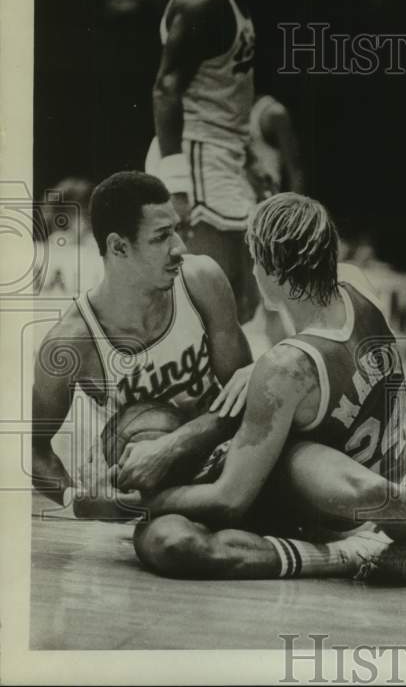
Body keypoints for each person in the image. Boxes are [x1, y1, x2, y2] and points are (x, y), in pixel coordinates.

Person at [131, 193, 406, 588]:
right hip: (383, 485)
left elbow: (229, 500)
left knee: (166, 536)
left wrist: (137, 502)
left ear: (276, 273)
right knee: (171, 538)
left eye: (257, 262)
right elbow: (317, 348)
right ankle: (396, 548)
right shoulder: (356, 284)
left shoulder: (287, 368)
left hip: (335, 504)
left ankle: (360, 555)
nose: (255, 271)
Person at [31, 171, 252, 520]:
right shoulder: (71, 342)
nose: (179, 247)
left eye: (176, 230)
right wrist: (78, 499)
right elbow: (32, 447)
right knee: (173, 546)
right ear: (119, 247)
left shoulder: (201, 281)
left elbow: (245, 400)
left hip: (227, 458)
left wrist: (170, 445)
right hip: (152, 494)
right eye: (162, 236)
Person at [146, 0, 302, 325]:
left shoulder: (238, 0)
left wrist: (251, 161)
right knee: (201, 305)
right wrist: (176, 186)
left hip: (226, 158)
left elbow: (230, 95)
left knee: (243, 304)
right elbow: (166, 88)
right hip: (194, 156)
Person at [245, 91, 306, 346]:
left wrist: (295, 218)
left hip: (268, 211)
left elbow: (296, 168)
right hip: (239, 205)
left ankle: (287, 350)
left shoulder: (272, 113)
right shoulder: (225, 109)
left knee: (274, 292)